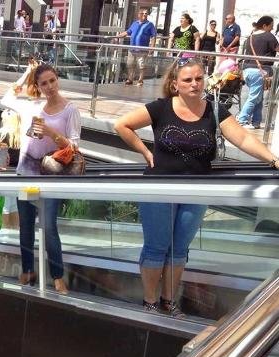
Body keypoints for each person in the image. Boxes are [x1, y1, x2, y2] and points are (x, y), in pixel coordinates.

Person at [115, 58, 279, 315]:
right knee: (157, 247)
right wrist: (145, 152)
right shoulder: (161, 108)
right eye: (188, 80)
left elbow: (244, 138)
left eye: (199, 79)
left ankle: (169, 301)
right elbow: (121, 125)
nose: (194, 84)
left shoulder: (214, 111)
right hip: (158, 188)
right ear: (175, 84)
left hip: (196, 189)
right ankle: (150, 302)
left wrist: (273, 158)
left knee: (179, 249)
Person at [2, 64, 79, 293]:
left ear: (58, 80)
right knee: (25, 226)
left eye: (52, 81)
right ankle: (27, 269)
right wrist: (27, 72)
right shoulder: (32, 106)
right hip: (25, 174)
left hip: (50, 176)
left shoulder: (70, 110)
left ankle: (57, 275)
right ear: (37, 86)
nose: (49, 87)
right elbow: (8, 96)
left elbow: (74, 145)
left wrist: (51, 133)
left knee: (48, 226)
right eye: (43, 83)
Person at [236, 16, 279, 130]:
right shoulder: (269, 36)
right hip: (260, 70)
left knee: (258, 98)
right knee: (254, 97)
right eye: (271, 25)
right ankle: (242, 120)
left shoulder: (250, 37)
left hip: (247, 70)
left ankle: (256, 121)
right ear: (265, 25)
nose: (272, 27)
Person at [114, 8, 157, 86]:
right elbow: (128, 32)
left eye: (146, 13)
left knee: (141, 66)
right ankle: (130, 79)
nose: (144, 14)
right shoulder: (135, 23)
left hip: (142, 50)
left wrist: (152, 47)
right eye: (142, 13)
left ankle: (140, 80)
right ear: (138, 15)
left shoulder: (150, 24)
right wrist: (118, 36)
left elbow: (153, 36)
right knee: (130, 64)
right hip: (132, 49)